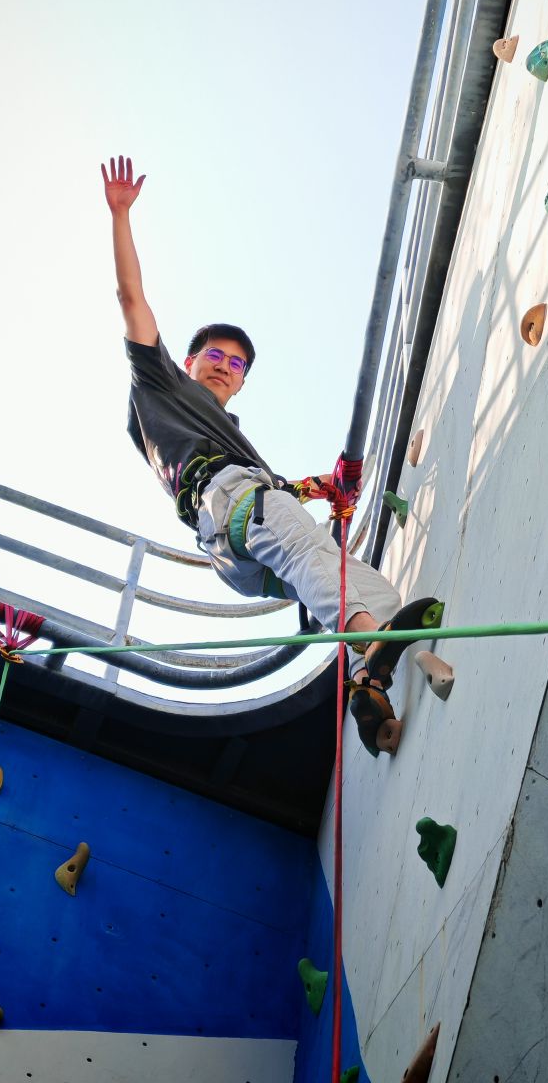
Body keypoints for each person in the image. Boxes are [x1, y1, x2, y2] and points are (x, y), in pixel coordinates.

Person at [103, 154, 441, 755]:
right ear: (189, 359)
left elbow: (277, 494)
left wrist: (324, 486)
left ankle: (370, 684)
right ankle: (368, 639)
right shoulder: (159, 385)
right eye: (215, 354)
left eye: (237, 365)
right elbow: (132, 301)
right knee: (312, 550)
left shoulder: (225, 432)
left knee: (362, 582)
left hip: (241, 546)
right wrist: (121, 214)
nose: (225, 367)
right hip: (230, 504)